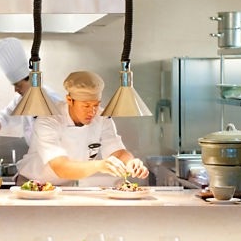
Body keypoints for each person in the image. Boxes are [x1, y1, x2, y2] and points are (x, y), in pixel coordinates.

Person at [16, 70, 149, 186]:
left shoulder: (102, 117)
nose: (92, 111)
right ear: (69, 100)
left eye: (96, 105)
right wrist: (100, 165)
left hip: (67, 185)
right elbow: (60, 167)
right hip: (32, 183)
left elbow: (117, 151)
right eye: (86, 106)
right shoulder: (49, 119)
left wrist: (131, 162)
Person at [0, 37, 62, 145]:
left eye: (18, 85)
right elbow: (5, 116)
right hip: (34, 151)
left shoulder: (52, 99)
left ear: (31, 80)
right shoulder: (20, 100)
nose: (15, 90)